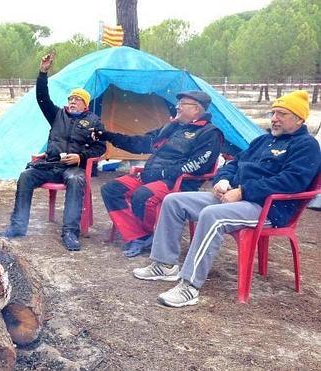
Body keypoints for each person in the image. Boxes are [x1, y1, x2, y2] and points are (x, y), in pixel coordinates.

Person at [133, 90, 321, 308]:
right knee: (174, 201)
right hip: (235, 199)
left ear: (299, 119)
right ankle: (164, 265)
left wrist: (243, 191)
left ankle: (189, 286)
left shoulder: (306, 146)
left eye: (282, 114)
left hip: (268, 209)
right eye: (273, 113)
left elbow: (291, 182)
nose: (274, 118)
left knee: (212, 216)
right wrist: (222, 181)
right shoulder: (263, 140)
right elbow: (234, 163)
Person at [0, 51, 106, 251]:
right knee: (25, 176)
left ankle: (70, 233)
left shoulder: (93, 121)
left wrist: (80, 157)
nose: (72, 101)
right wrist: (42, 73)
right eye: (70, 98)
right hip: (51, 164)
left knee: (76, 180)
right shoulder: (57, 115)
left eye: (77, 99)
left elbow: (101, 147)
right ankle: (18, 226)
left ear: (85, 103)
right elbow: (41, 97)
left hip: (73, 169)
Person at [98, 91, 223, 257]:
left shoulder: (210, 133)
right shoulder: (172, 128)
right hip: (151, 178)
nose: (177, 107)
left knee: (143, 196)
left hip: (177, 182)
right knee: (111, 189)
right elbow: (140, 143)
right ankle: (139, 235)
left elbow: (198, 165)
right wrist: (107, 136)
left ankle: (149, 235)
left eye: (183, 103)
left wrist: (163, 173)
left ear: (196, 109)